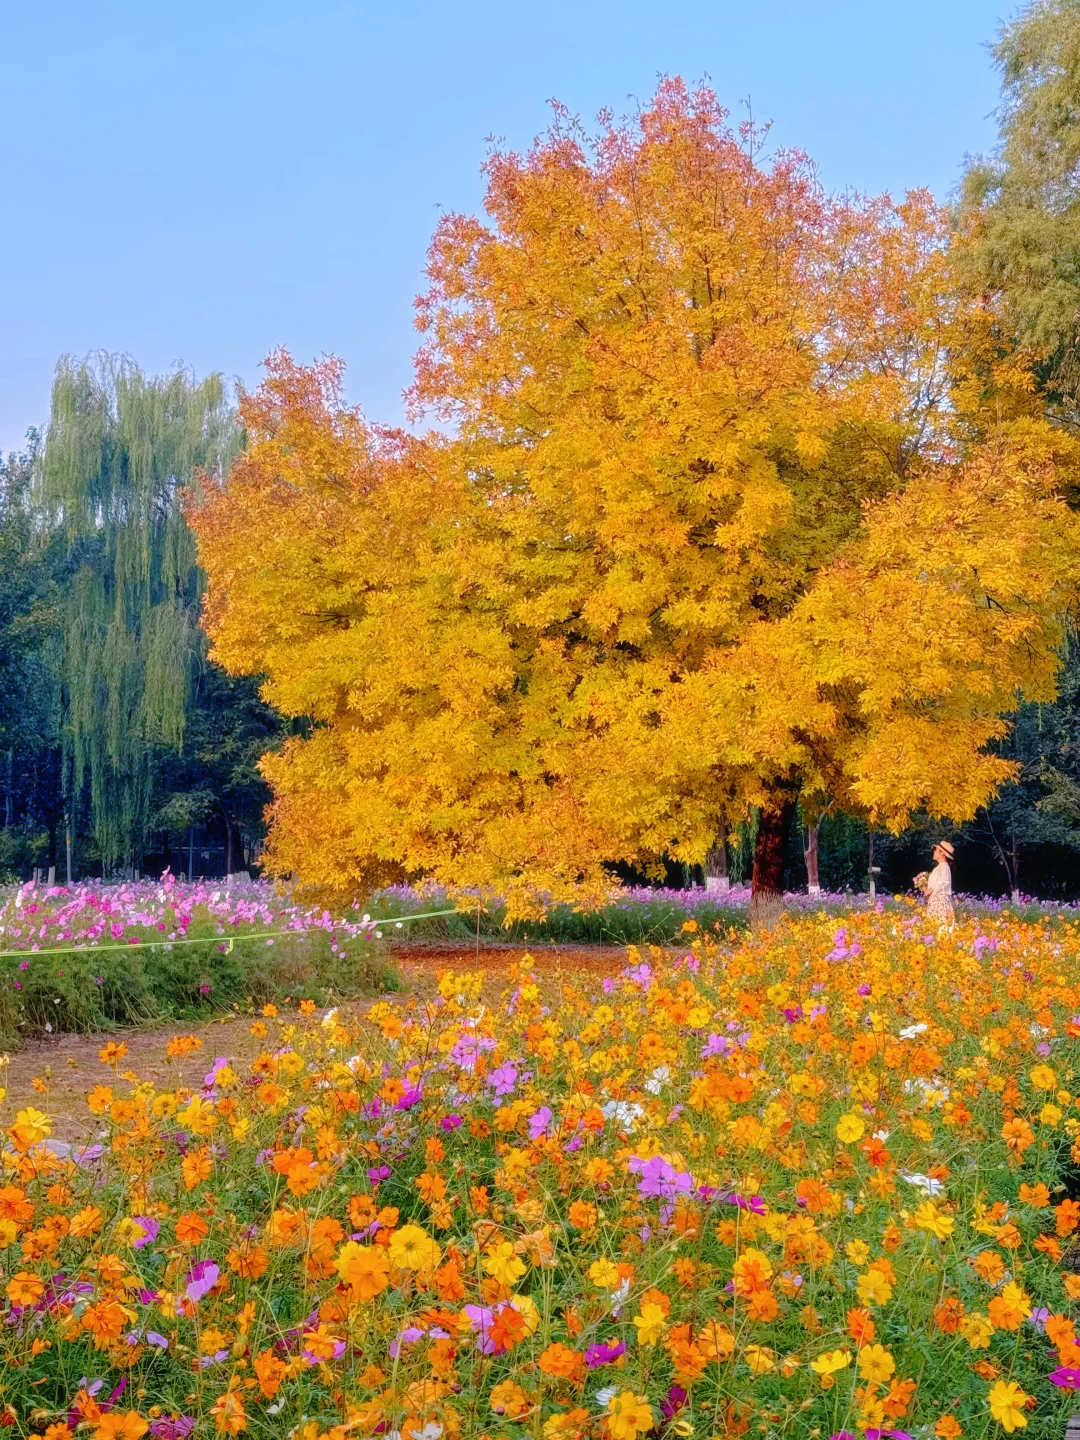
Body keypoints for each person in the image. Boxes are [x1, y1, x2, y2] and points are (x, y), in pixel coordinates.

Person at [917, 841, 955, 926]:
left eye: (936, 850)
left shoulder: (944, 867)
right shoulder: (939, 867)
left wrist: (930, 890)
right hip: (935, 900)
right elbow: (936, 882)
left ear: (942, 854)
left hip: (940, 901)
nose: (934, 852)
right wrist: (924, 886)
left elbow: (944, 882)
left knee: (939, 925)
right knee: (933, 925)